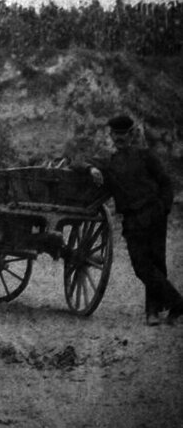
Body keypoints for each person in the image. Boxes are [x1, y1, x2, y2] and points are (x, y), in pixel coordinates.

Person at [79, 115, 183, 326]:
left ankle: (153, 313)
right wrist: (92, 169)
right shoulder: (109, 162)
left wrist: (164, 208)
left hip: (154, 215)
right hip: (133, 221)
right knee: (141, 267)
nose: (119, 138)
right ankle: (177, 303)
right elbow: (78, 162)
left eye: (123, 134)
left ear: (131, 134)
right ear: (111, 135)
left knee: (157, 264)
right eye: (116, 134)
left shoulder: (146, 156)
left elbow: (165, 182)